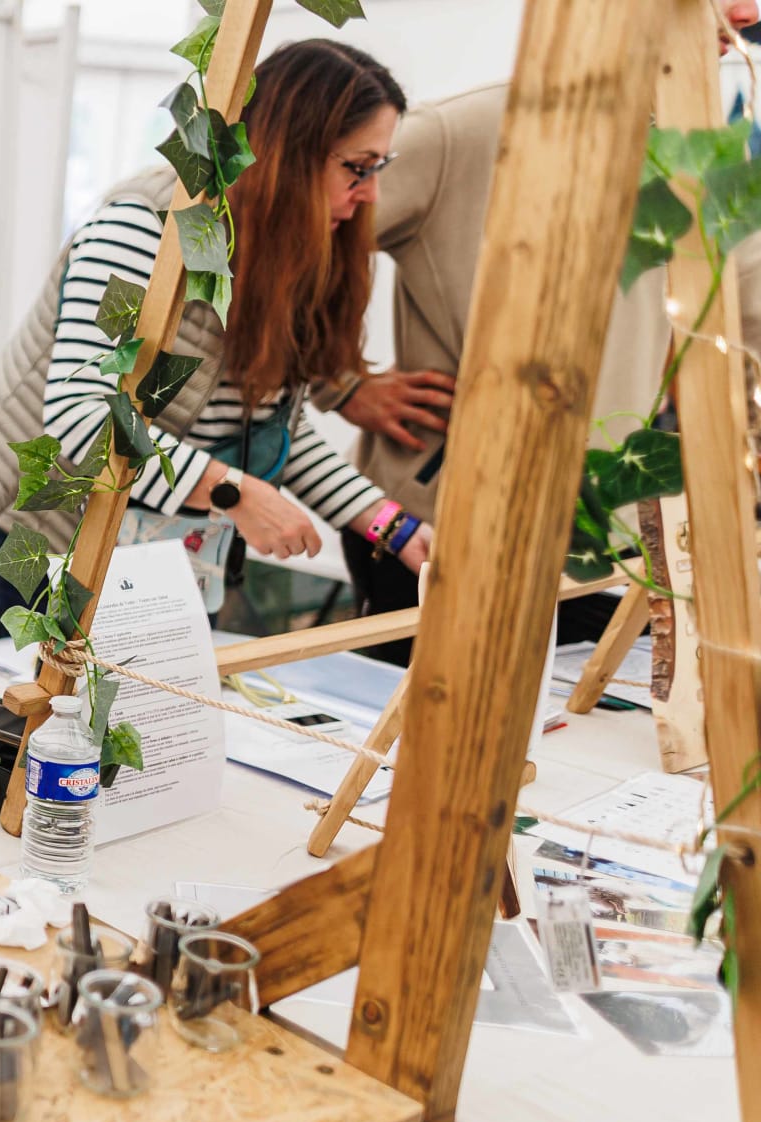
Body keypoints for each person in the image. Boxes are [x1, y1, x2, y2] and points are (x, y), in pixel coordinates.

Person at [320, 0, 761, 658]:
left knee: (575, 747)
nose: (743, 15)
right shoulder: (462, 132)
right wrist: (343, 384)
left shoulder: (708, 166)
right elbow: (278, 242)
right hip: (435, 534)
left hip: (604, 547)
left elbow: (749, 327)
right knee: (402, 749)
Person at [0, 41, 424, 640]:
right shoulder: (143, 229)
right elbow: (81, 415)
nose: (370, 195)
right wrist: (229, 492)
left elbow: (277, 433)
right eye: (358, 168)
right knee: (48, 726)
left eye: (379, 167)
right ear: (288, 153)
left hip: (164, 543)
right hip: (47, 535)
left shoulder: (284, 255)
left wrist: (393, 527)